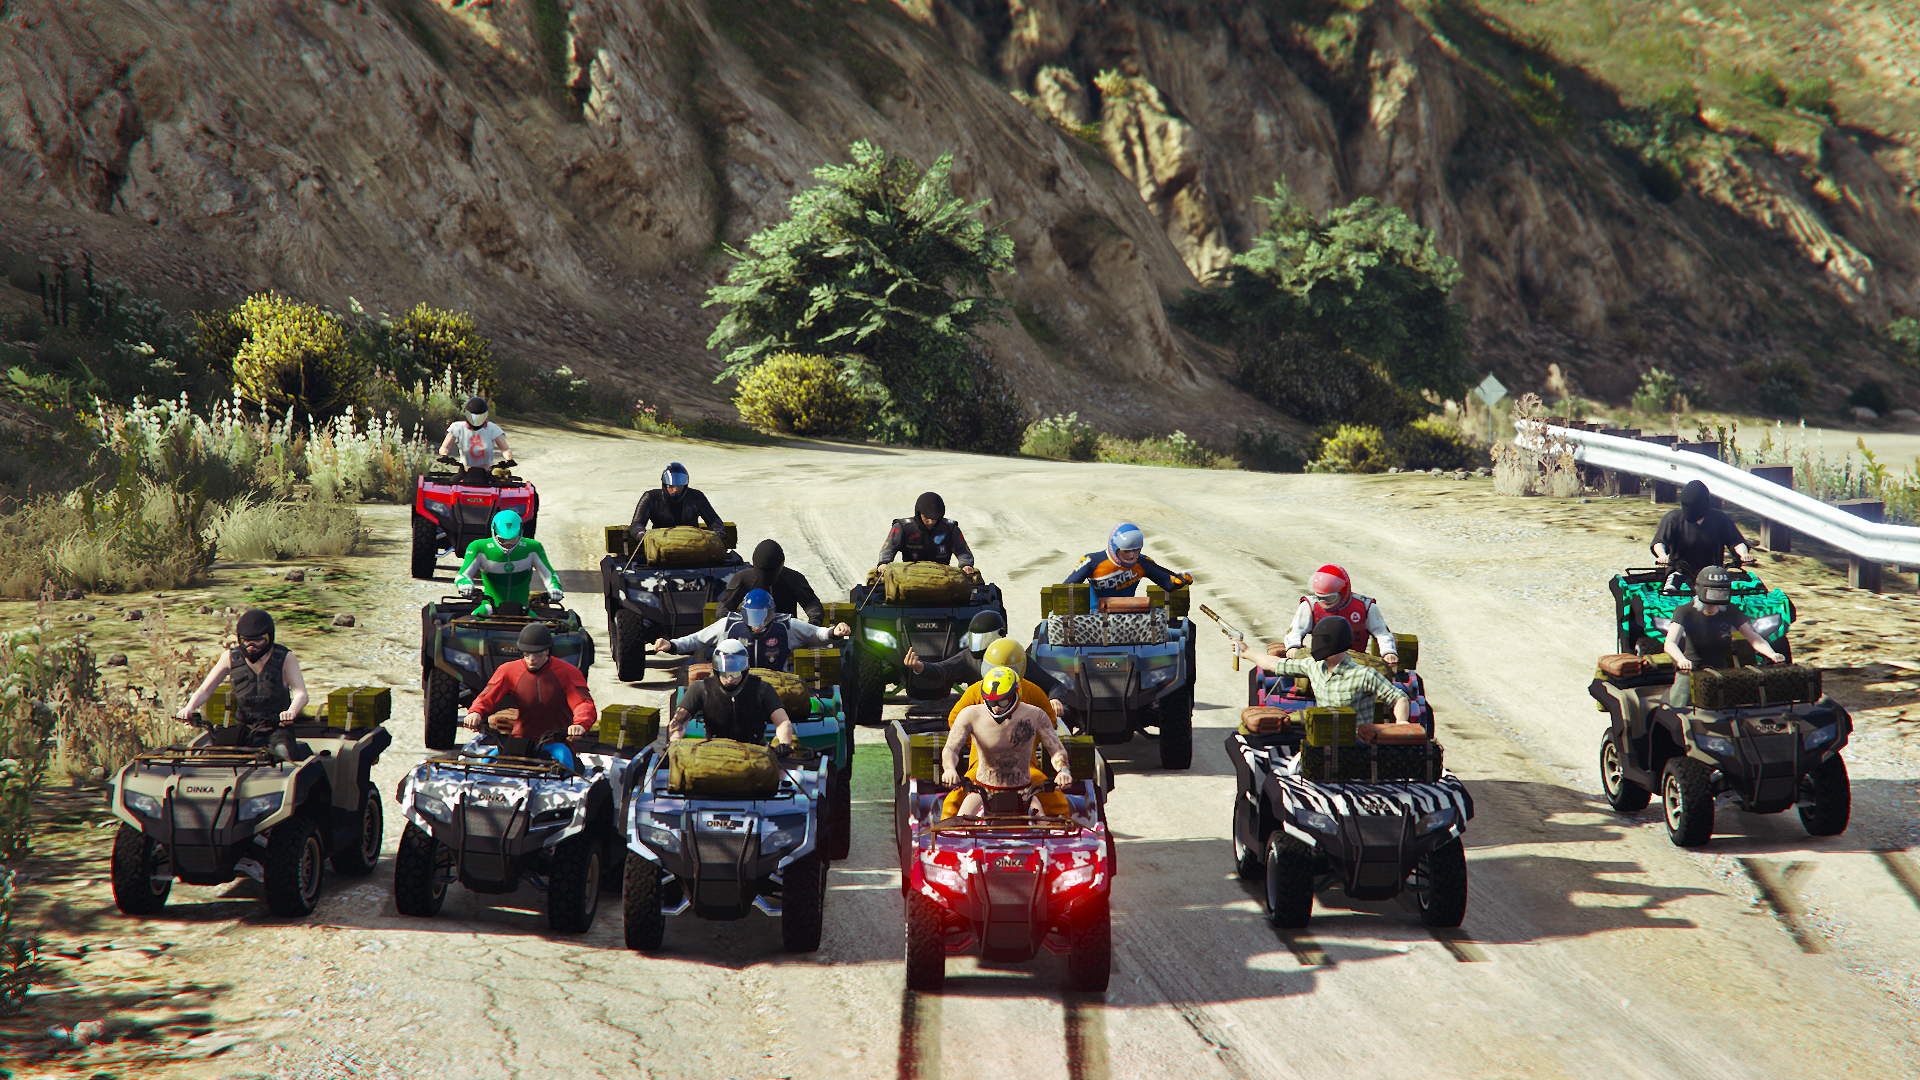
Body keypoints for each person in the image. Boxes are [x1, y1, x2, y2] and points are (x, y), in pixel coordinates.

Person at [176, 609, 309, 760]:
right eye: (246, 641)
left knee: (282, 752)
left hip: (277, 728)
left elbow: (301, 694)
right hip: (243, 728)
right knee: (212, 753)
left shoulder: (286, 658)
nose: (252, 646)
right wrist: (190, 707)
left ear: (269, 638)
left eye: (258, 641)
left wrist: (291, 712)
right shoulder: (230, 657)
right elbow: (205, 690)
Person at [942, 667, 1072, 818]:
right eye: (991, 702)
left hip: (1024, 791)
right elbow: (951, 749)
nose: (996, 707)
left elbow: (1056, 749)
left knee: (1052, 822)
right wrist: (949, 769)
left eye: (1002, 701)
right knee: (954, 821)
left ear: (1016, 694)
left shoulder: (1036, 715)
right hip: (982, 789)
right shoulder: (969, 714)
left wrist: (1063, 770)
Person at [1232, 617, 1413, 725]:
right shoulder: (1313, 666)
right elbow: (1275, 664)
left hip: (1357, 743)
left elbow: (1399, 698)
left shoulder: (1365, 675)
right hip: (1322, 737)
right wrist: (1247, 652)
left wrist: (1402, 722)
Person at [1664, 565, 1785, 708]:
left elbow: (1754, 638)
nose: (1718, 595)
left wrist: (1772, 654)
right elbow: (1670, 643)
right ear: (1700, 589)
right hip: (1691, 671)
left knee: (1734, 707)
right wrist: (1681, 660)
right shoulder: (1684, 611)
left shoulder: (1731, 610)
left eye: (1722, 591)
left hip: (1721, 672)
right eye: (1713, 591)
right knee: (1681, 705)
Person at [649, 587, 851, 671]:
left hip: (775, 685)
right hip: (733, 683)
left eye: (764, 617)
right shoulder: (728, 625)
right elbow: (696, 640)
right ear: (743, 614)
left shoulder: (786, 625)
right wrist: (671, 645)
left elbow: (816, 634)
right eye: (753, 617)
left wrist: (834, 631)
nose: (758, 624)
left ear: (772, 613)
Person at [465, 622, 597, 744]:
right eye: (527, 653)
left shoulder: (568, 672)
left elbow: (583, 703)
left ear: (547, 651)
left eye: (537, 654)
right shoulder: (508, 670)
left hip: (558, 741)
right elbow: (487, 696)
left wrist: (580, 724)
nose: (531, 659)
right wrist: (476, 712)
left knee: (562, 758)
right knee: (490, 759)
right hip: (520, 739)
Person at [908, 631, 1065, 726]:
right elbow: (955, 720)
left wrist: (1055, 700)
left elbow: (1050, 723)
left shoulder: (1031, 691)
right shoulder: (974, 691)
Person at [666, 639, 796, 749]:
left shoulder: (762, 688)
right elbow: (678, 721)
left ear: (744, 670)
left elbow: (783, 722)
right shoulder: (700, 688)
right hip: (714, 753)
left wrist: (784, 743)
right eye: (725, 672)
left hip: (756, 753)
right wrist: (674, 741)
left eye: (735, 672)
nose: (730, 678)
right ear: (716, 670)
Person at [1282, 564, 1399, 666]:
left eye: (1329, 598)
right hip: (1320, 662)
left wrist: (1388, 652)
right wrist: (1293, 647)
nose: (1323, 602)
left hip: (1357, 662)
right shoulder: (1309, 606)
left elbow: (1382, 633)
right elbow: (1295, 632)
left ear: (1344, 592)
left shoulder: (1366, 607)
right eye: (1320, 597)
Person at [455, 509, 563, 616]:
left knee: (543, 626)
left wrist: (554, 588)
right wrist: (465, 584)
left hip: (523, 608)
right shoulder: (478, 547)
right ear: (494, 532)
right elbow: (462, 575)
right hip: (489, 606)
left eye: (513, 540)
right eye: (503, 540)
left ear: (521, 533)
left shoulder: (533, 547)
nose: (508, 544)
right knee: (466, 623)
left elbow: (549, 575)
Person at [1652, 480, 1756, 591]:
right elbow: (1660, 541)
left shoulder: (1720, 518)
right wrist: (1662, 555)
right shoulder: (1672, 518)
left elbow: (1736, 541)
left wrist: (1744, 554)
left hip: (1713, 576)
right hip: (1678, 574)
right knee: (1670, 591)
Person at [1064, 523, 1193, 600]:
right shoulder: (1092, 561)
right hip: (1095, 617)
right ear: (1115, 547)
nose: (1132, 556)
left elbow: (1166, 582)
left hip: (1129, 616)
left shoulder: (1143, 562)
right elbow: (1066, 588)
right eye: (1126, 551)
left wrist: (1177, 582)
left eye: (1137, 551)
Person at [716, 539, 825, 625]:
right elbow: (725, 605)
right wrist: (727, 623)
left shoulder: (794, 579)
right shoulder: (742, 578)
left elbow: (812, 605)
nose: (767, 575)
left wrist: (814, 621)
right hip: (752, 633)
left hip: (787, 634)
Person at [876, 492, 977, 576]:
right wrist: (884, 563)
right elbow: (889, 549)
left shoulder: (950, 528)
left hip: (942, 578)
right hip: (909, 577)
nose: (931, 522)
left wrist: (966, 565)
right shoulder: (903, 527)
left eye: (934, 519)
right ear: (918, 513)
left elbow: (963, 552)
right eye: (926, 518)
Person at [628, 461, 723, 543]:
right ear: (665, 485)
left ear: (685, 486)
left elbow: (714, 520)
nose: (675, 490)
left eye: (679, 487)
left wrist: (718, 530)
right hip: (661, 544)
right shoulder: (651, 497)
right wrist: (640, 533)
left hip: (692, 543)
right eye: (671, 487)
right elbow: (636, 524)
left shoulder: (697, 496)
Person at [436, 396, 514, 479]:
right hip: (464, 473)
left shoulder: (493, 429)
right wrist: (444, 455)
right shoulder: (458, 427)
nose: (476, 420)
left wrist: (509, 459)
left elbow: (505, 449)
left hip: (486, 475)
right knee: (451, 484)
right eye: (473, 417)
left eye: (480, 417)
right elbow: (444, 447)